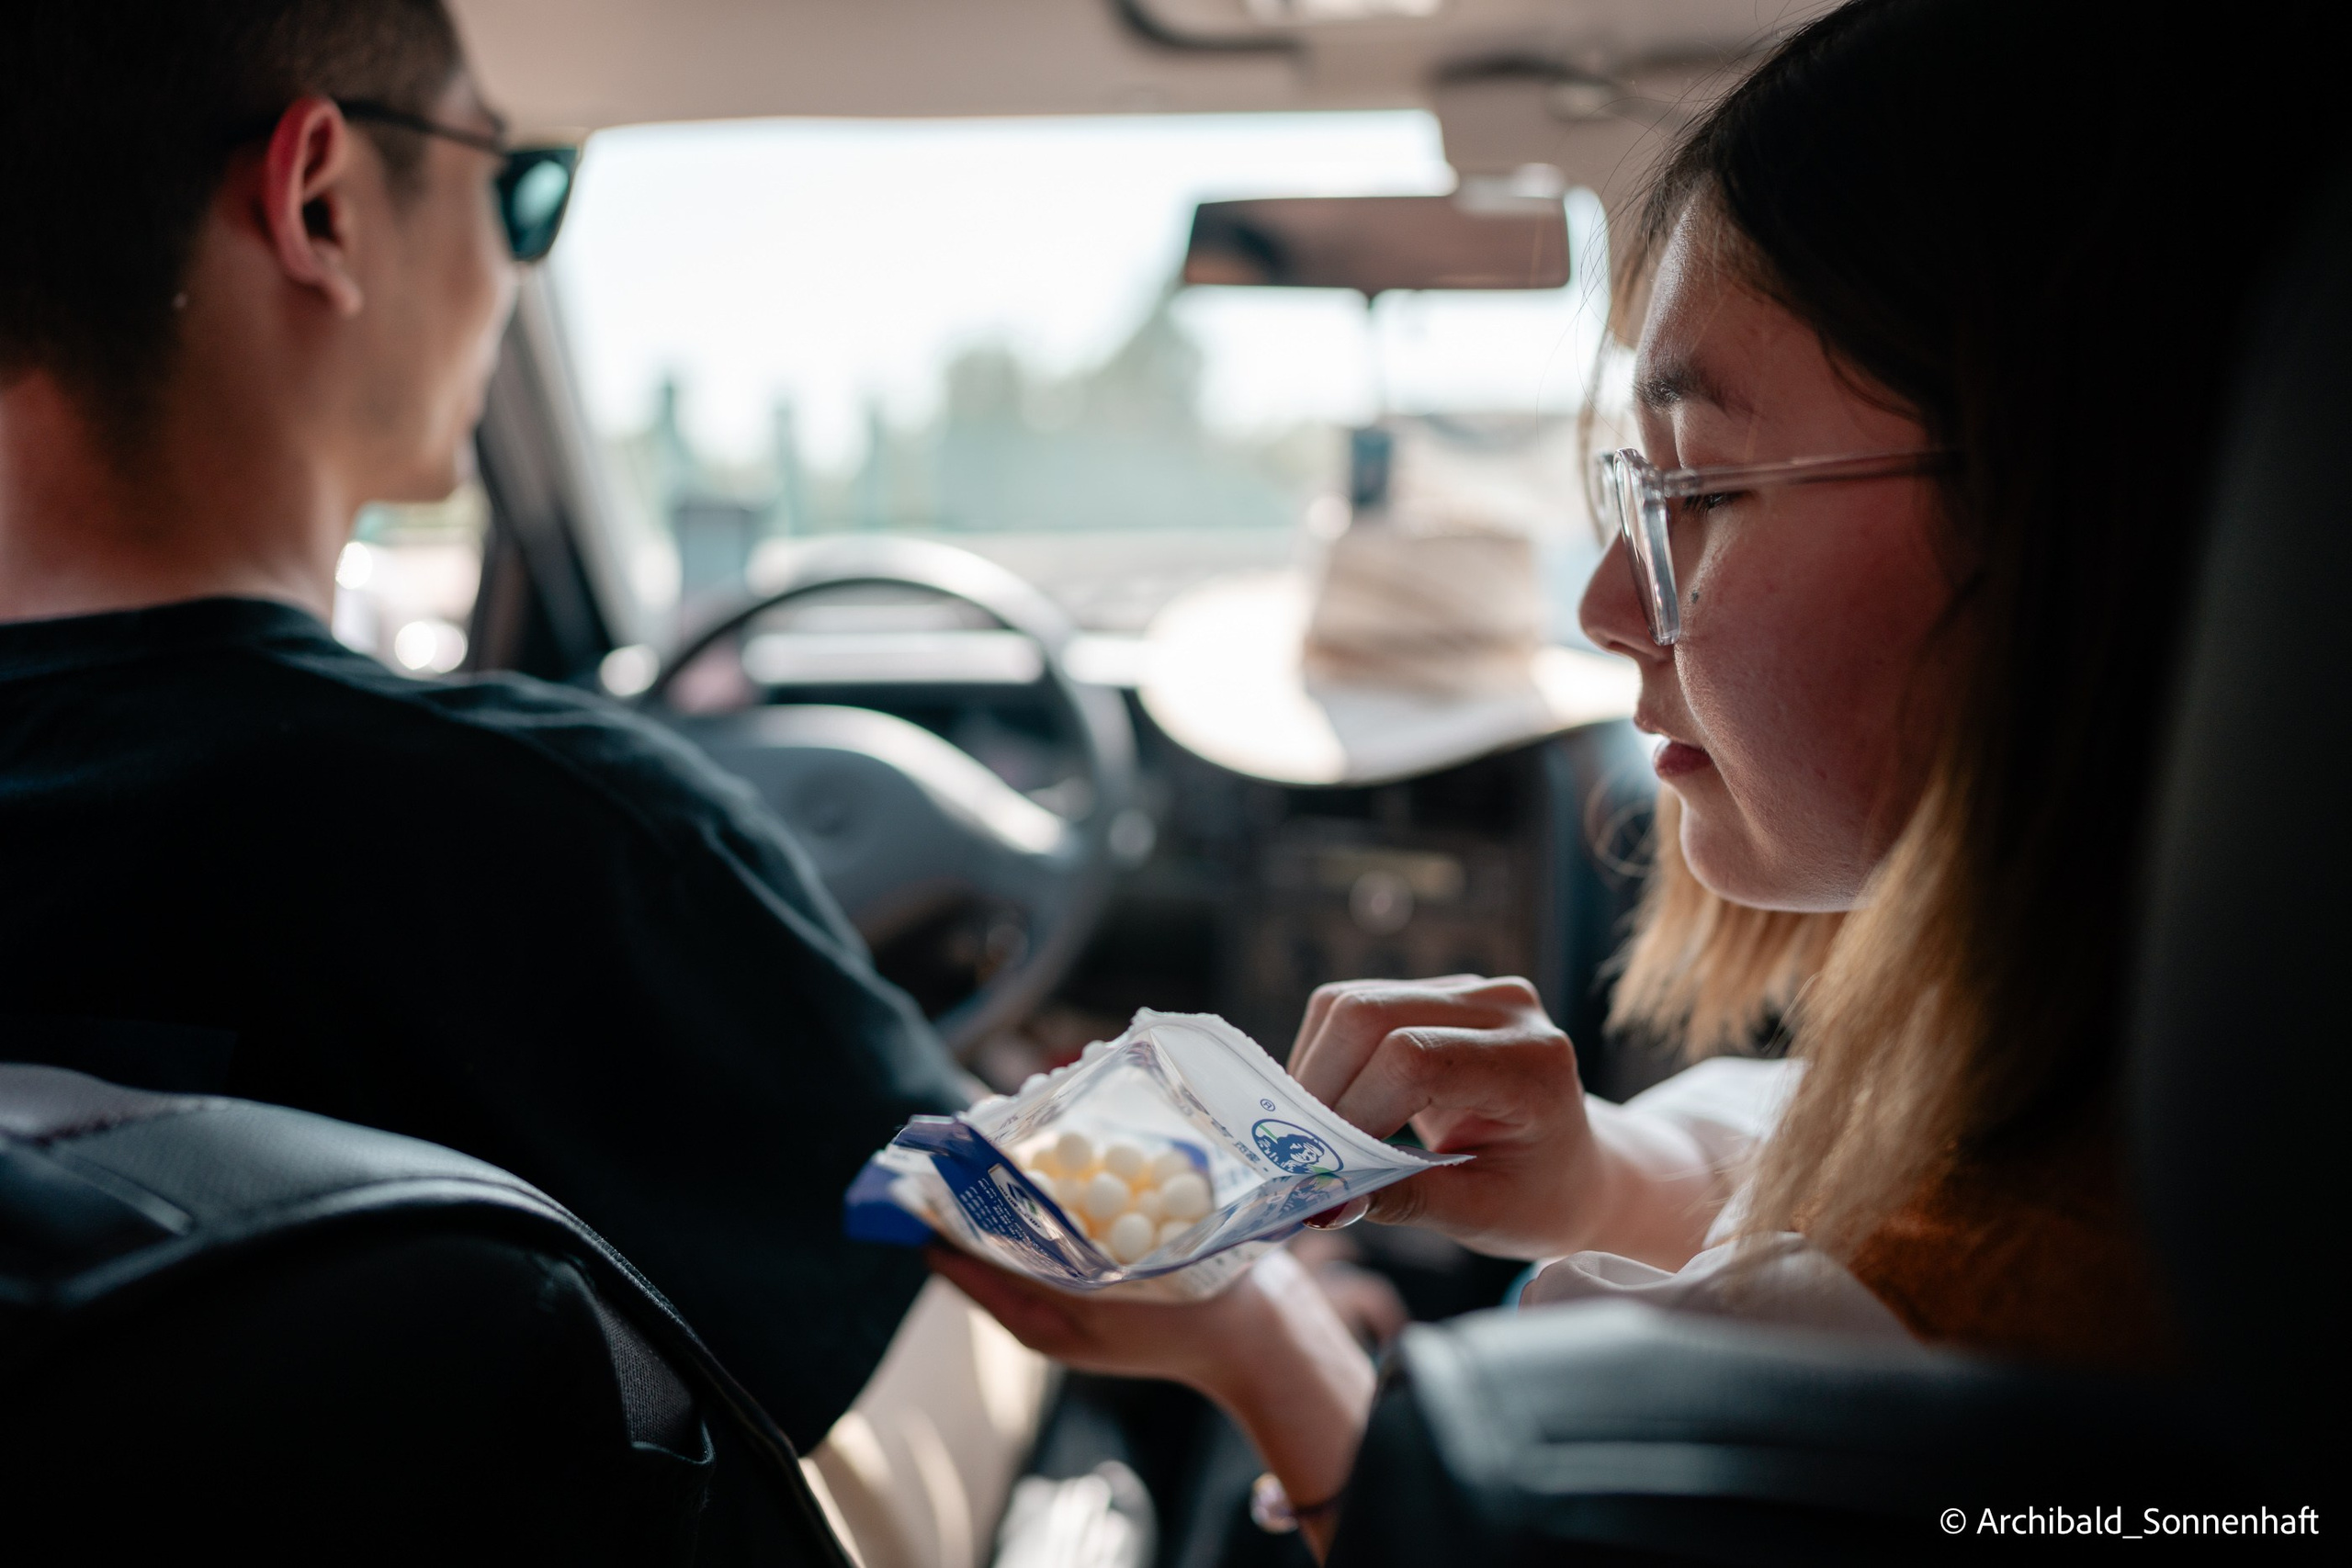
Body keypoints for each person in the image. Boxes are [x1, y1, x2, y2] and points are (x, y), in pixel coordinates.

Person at [930, 0, 2339, 1555]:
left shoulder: (1932, 1329)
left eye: (1704, 489)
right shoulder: (2174, 1138)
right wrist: (1604, 1173)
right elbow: (1818, 1166)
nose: (1606, 607)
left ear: (2081, 524)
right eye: (1634, 489)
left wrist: (1259, 1343)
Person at [0, 1, 966, 1451]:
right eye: (519, 186)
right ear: (318, 199)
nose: (520, 261)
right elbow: (962, 1227)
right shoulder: (547, 835)